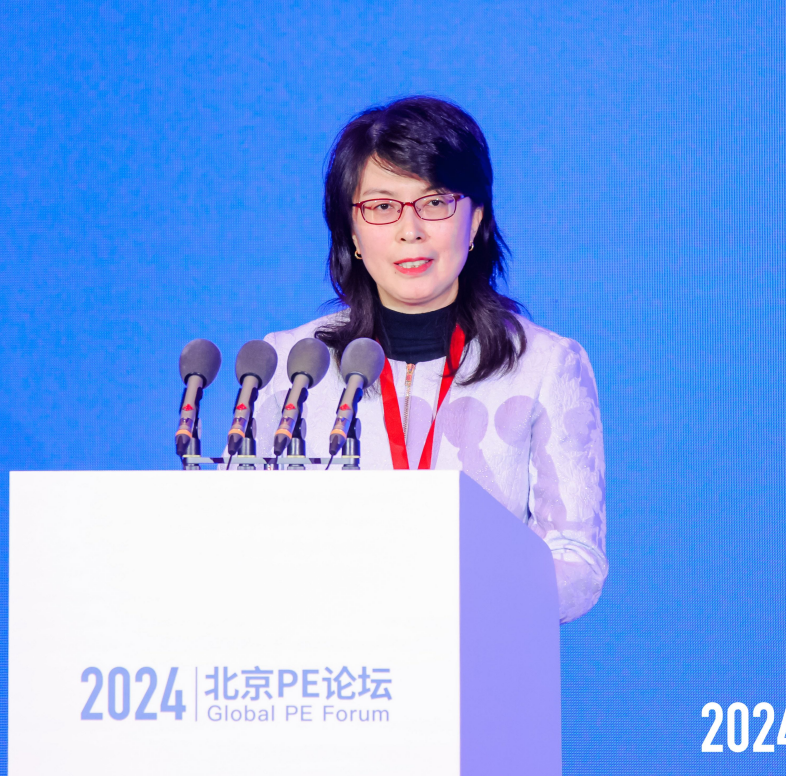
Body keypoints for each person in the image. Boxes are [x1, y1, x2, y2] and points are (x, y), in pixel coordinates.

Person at [254, 96, 607, 624]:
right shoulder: (293, 365)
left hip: (478, 655)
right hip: (329, 662)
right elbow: (245, 537)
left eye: (435, 202)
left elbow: (577, 562)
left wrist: (457, 602)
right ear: (351, 230)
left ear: (477, 218)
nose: (410, 229)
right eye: (381, 207)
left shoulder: (545, 365)